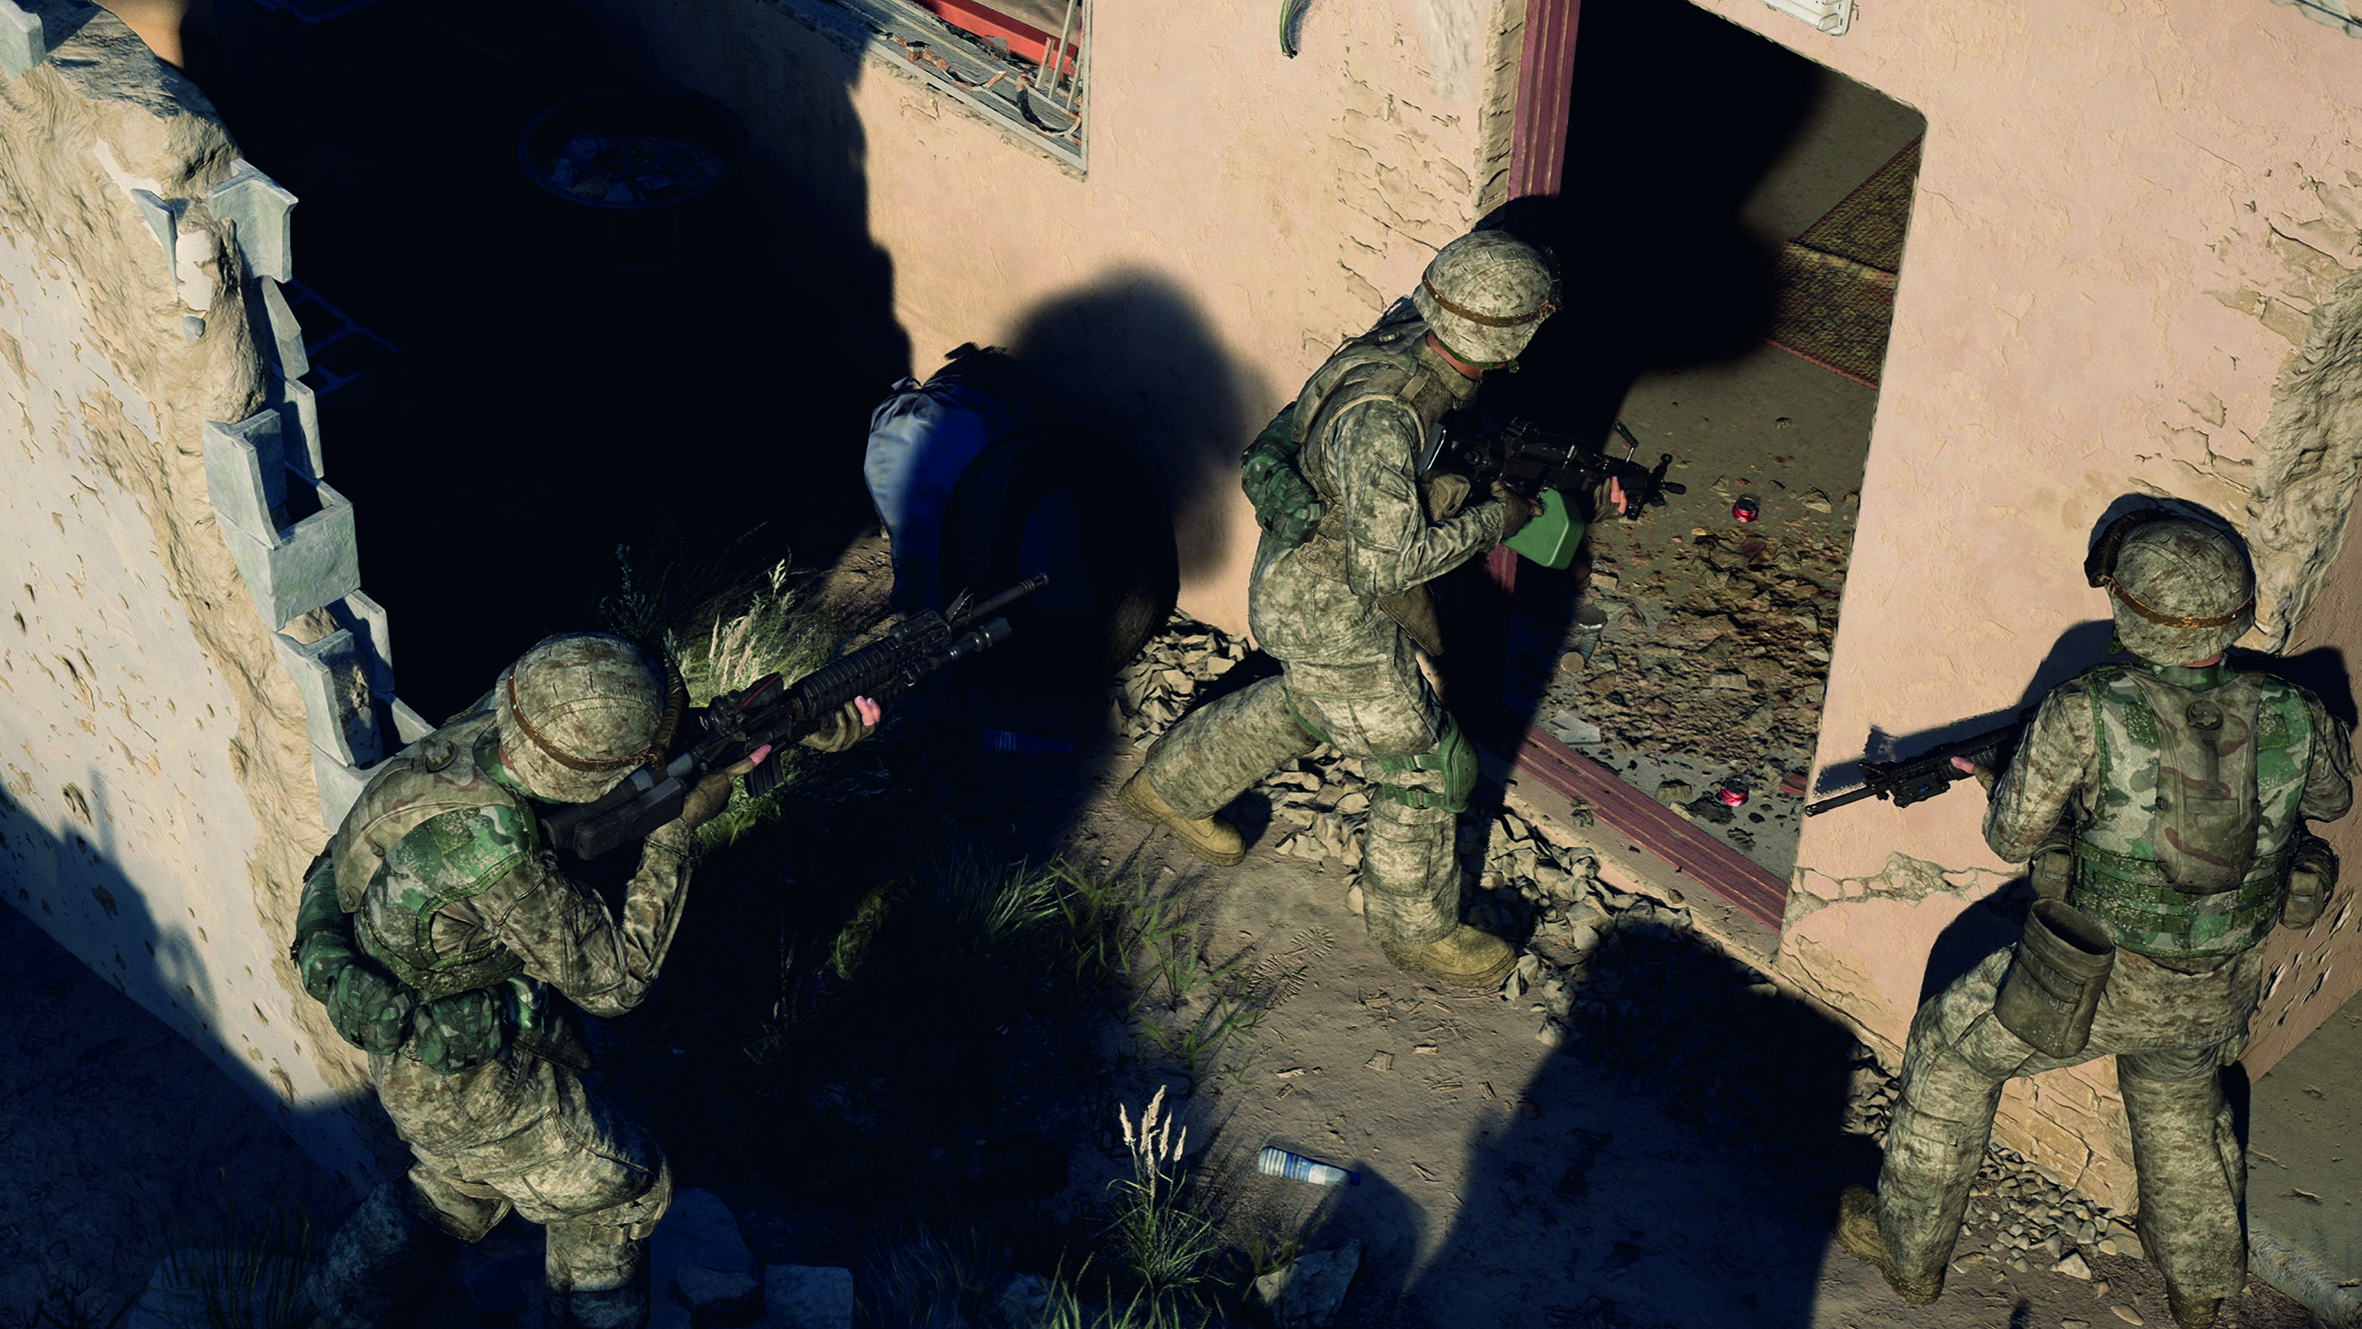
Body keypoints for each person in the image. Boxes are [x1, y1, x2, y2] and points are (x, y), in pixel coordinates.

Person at [1835, 511, 2353, 1329]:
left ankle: (1910, 1251)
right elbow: (2333, 797)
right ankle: (2202, 1288)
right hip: (2220, 981)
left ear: (2132, 611)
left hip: (2094, 978)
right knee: (2182, 1102)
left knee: (1949, 1052)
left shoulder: (2089, 706)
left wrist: (2005, 770)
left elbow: (2012, 834)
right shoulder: (2293, 708)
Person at [293, 633, 877, 1329]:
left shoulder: (484, 731)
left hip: (420, 1048)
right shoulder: (494, 850)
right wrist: (675, 831)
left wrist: (769, 730)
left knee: (458, 1188)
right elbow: (617, 981)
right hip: (464, 1075)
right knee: (625, 1190)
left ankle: (324, 1317)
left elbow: (635, 758)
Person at [1119, 228, 1620, 990]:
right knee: (1425, 761)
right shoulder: (1392, 415)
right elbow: (1390, 561)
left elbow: (1283, 440)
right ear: (1508, 336)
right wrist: (1500, 519)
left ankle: (1168, 789)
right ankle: (1417, 932)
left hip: (1296, 584)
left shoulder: (1392, 343)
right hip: (1335, 611)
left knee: (1309, 706)